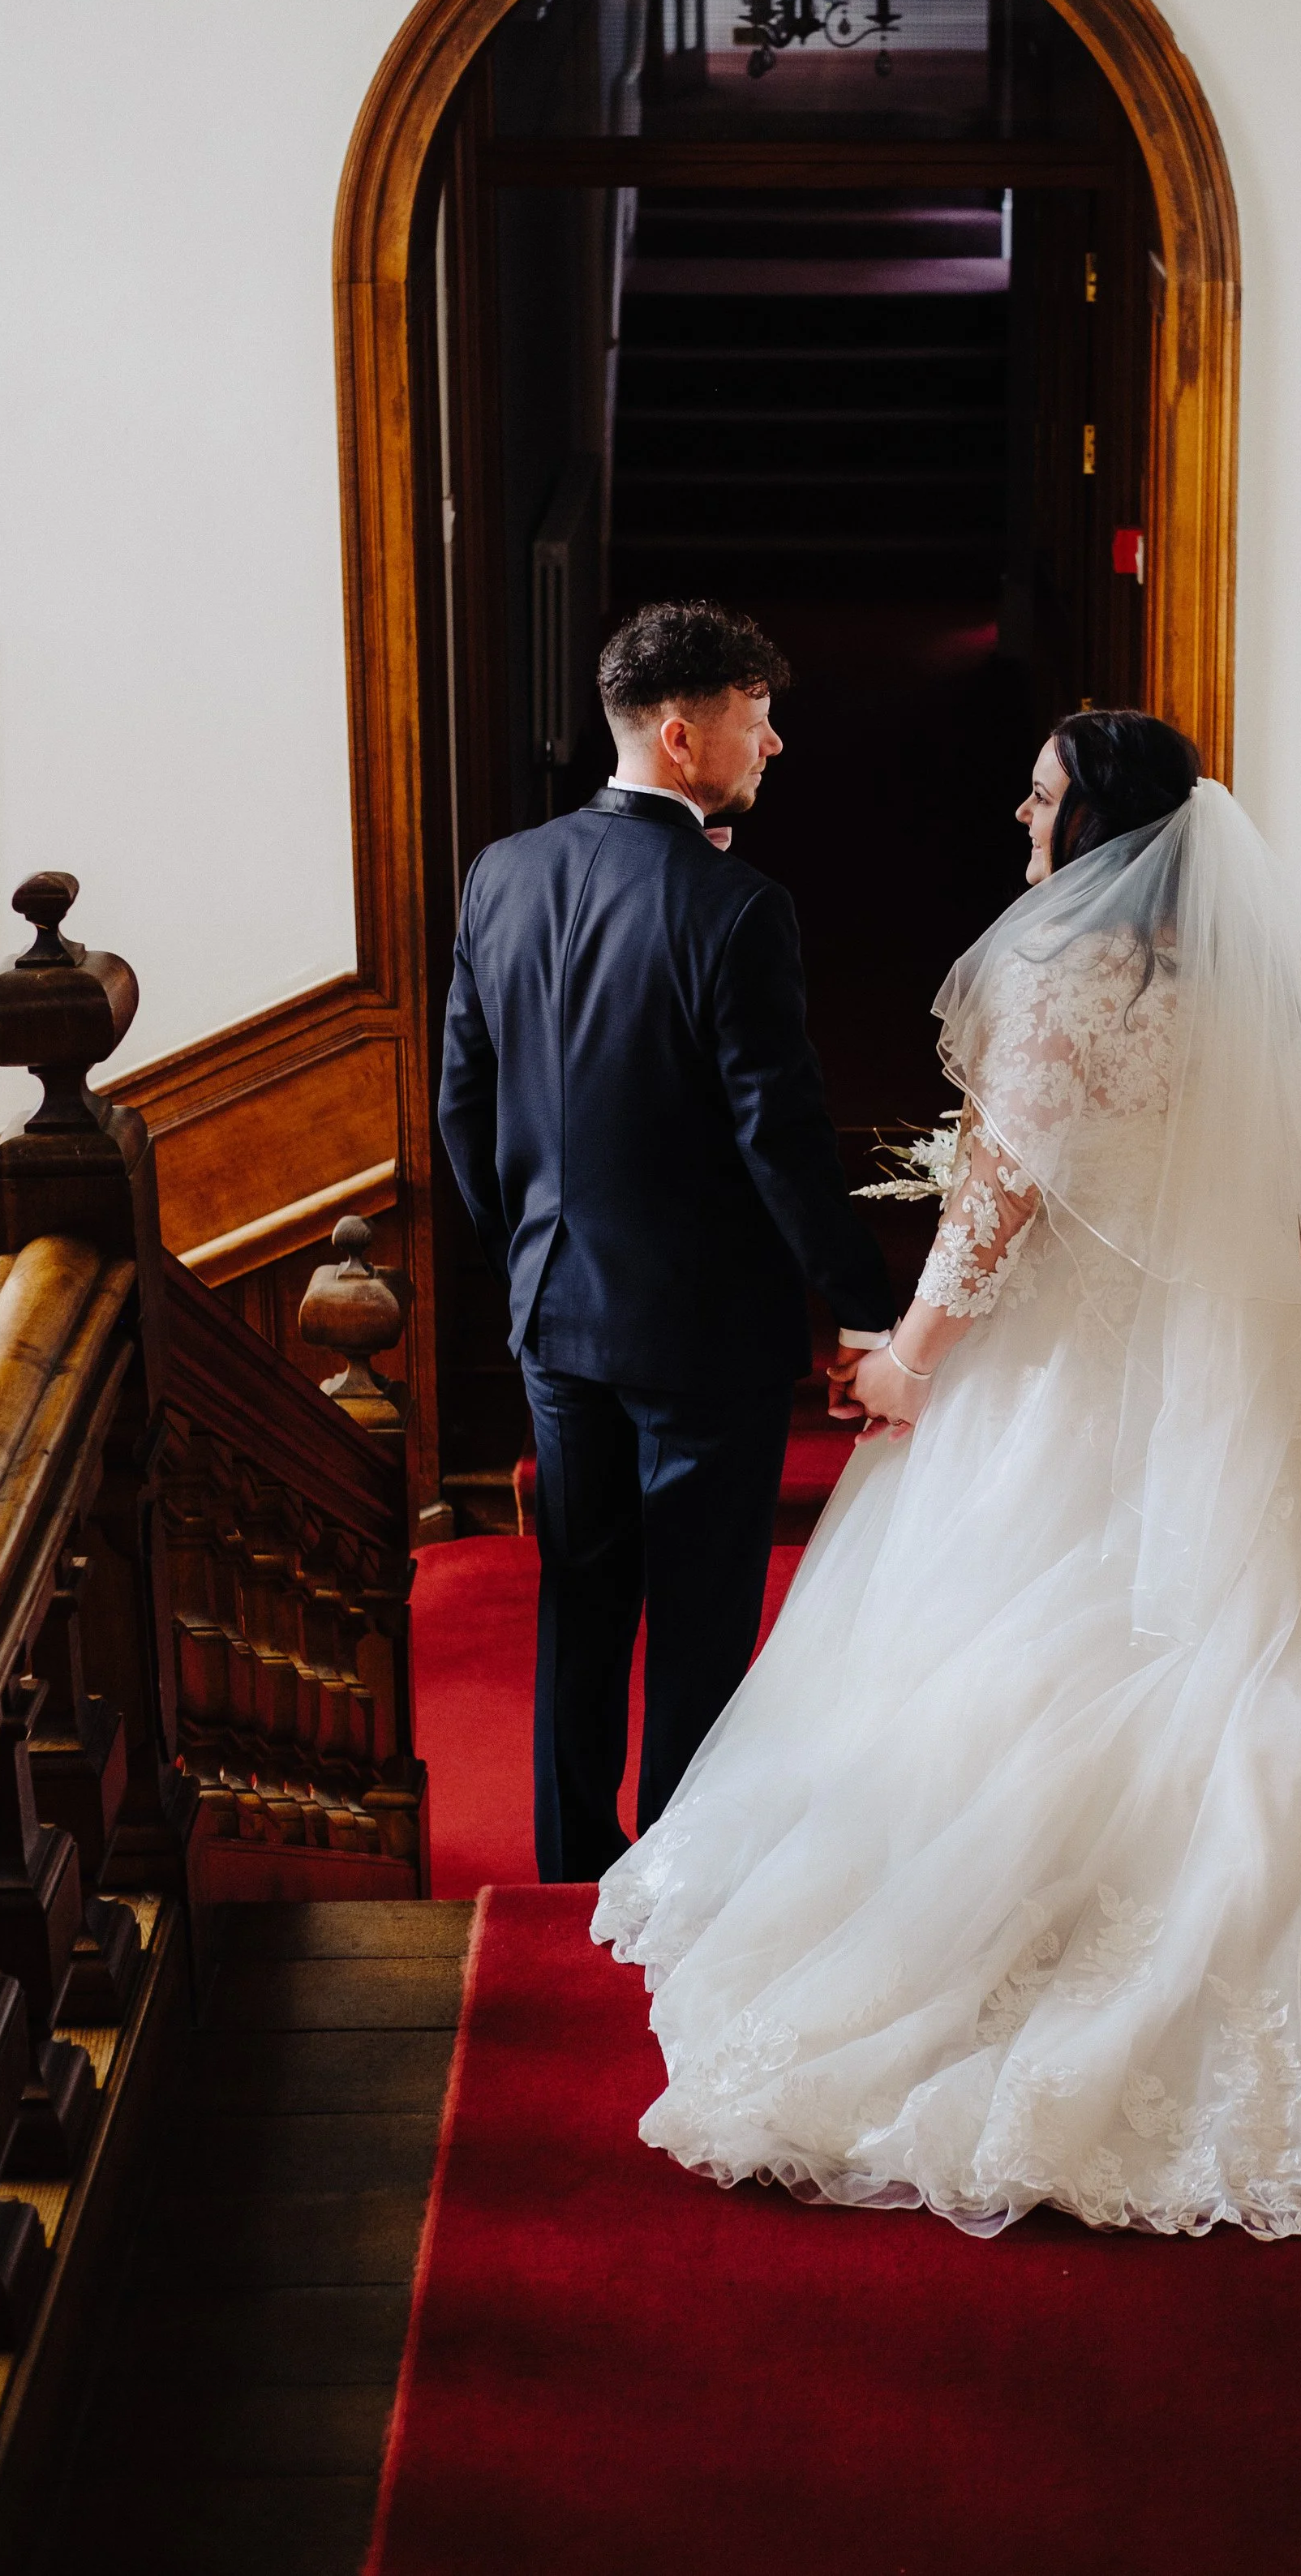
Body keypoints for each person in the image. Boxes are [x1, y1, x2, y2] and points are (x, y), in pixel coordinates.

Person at [590, 709, 1301, 2240]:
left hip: (1066, 1366)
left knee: (1026, 1639)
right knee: (1248, 1632)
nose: (1020, 806)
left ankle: (1028, 1921)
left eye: (1042, 791)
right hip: (1226, 1359)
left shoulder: (1053, 981)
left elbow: (997, 1202)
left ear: (1097, 826)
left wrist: (910, 1355)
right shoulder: (1217, 987)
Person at [438, 600, 896, 1881]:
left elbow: (461, 1112)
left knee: (583, 1601)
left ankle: (575, 1859)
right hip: (703, 1334)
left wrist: (525, 1257)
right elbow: (781, 1137)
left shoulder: (501, 873)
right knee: (699, 1620)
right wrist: (866, 1304)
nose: (778, 745)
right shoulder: (737, 908)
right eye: (759, 722)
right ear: (685, 737)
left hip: (554, 1317)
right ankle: (678, 1878)